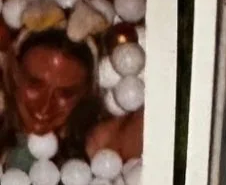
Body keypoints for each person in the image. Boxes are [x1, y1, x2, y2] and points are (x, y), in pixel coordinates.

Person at [0, 20, 143, 167]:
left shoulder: (100, 150)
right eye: (34, 84)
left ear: (85, 94)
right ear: (15, 73)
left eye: (65, 94)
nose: (45, 106)